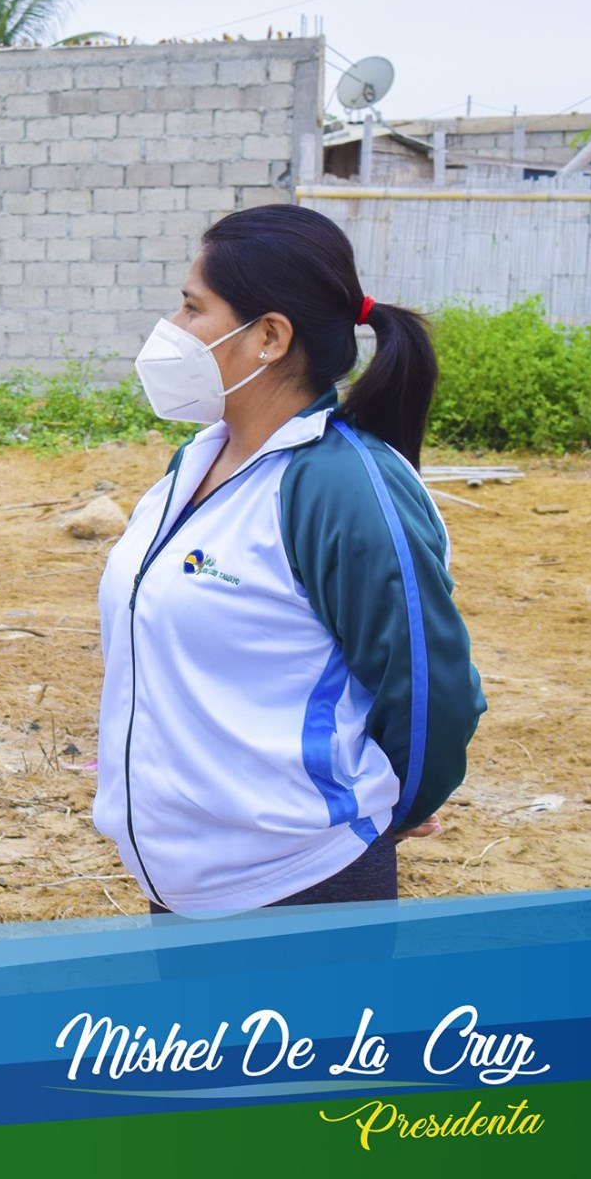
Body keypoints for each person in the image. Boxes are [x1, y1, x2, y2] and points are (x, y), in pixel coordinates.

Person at [95, 203, 483, 914]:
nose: (172, 328)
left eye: (192, 308)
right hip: (181, 885)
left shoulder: (342, 488)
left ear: (269, 336)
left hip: (299, 884)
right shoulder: (197, 461)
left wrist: (395, 806)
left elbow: (429, 685)